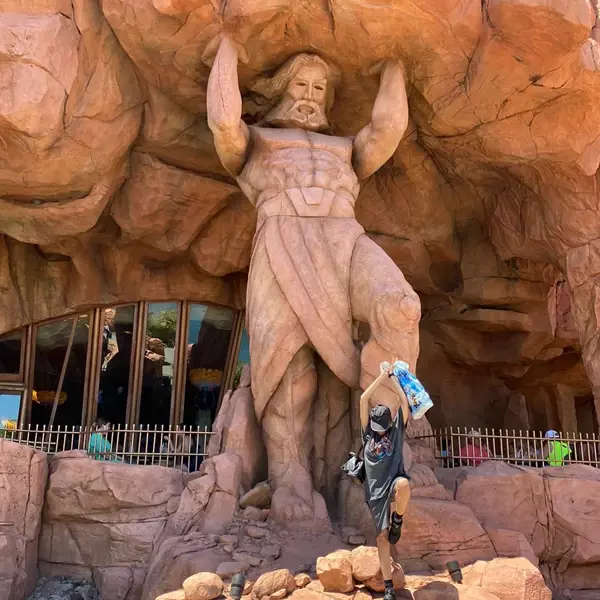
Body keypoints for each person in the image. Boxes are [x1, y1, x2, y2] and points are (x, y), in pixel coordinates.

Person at [360, 363, 411, 600]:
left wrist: (393, 378)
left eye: (382, 427)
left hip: (393, 481)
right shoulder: (367, 433)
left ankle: (398, 519)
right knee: (382, 537)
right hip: (374, 492)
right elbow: (363, 399)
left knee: (404, 485)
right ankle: (388, 585)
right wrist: (380, 376)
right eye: (376, 427)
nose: (379, 431)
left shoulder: (396, 431)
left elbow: (404, 402)